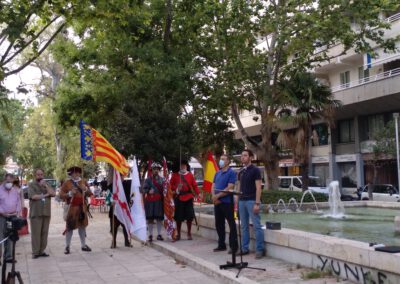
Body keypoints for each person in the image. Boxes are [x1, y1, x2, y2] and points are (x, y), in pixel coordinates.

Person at [238, 149, 265, 259]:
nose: (242, 157)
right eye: (242, 155)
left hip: (252, 201)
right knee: (244, 226)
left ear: (250, 157)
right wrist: (237, 197)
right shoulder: (241, 171)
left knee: (257, 226)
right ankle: (245, 248)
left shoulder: (255, 170)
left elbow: (259, 188)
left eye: (245, 155)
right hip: (242, 201)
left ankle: (259, 250)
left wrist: (257, 203)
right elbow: (239, 186)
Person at [60, 166, 92, 254]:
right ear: (71, 174)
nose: (76, 174)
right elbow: (61, 195)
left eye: (78, 172)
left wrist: (84, 189)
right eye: (74, 172)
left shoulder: (83, 181)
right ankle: (67, 246)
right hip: (72, 209)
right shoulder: (67, 183)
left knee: (82, 227)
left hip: (82, 208)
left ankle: (83, 245)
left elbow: (90, 193)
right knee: (69, 228)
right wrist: (69, 194)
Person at [212, 154, 238, 254]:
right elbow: (213, 186)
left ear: (228, 161)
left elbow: (230, 187)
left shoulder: (231, 173)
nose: (221, 161)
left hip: (227, 202)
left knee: (231, 224)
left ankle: (233, 246)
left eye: (223, 159)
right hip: (217, 203)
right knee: (219, 224)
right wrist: (214, 197)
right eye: (220, 159)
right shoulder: (217, 173)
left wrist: (217, 196)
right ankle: (221, 244)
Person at [28, 169, 56, 259]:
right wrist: (45, 195)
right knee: (36, 233)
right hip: (36, 212)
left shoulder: (46, 184)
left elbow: (53, 193)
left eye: (41, 174)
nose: (40, 176)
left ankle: (41, 251)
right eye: (38, 175)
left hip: (46, 212)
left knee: (44, 233)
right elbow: (33, 196)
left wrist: (46, 186)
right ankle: (35, 252)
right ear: (35, 175)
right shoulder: (31, 185)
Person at [170, 160, 199, 241]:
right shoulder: (175, 175)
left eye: (184, 165)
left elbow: (195, 185)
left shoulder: (190, 175)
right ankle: (178, 234)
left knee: (189, 216)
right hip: (179, 198)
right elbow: (170, 186)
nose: (183, 167)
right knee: (178, 217)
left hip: (189, 198)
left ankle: (189, 233)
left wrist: (197, 193)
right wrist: (177, 189)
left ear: (187, 166)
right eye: (181, 165)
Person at [0, 173, 22, 263]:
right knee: (1, 236)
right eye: (7, 181)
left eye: (10, 181)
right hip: (1, 216)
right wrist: (2, 212)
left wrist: (17, 212)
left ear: (13, 181)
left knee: (10, 236)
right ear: (4, 180)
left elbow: (18, 202)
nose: (9, 182)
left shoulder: (15, 190)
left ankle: (8, 256)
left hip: (12, 217)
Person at [143, 162, 165, 242]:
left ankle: (159, 234)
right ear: (151, 170)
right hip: (150, 202)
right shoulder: (148, 180)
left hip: (158, 201)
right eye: (154, 169)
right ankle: (150, 235)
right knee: (150, 219)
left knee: (159, 218)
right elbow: (144, 189)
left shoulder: (162, 179)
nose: (156, 170)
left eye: (157, 169)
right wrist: (148, 191)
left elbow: (164, 190)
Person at [108, 177, 132, 248]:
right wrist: (110, 202)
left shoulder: (127, 185)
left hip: (123, 209)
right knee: (114, 227)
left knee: (125, 226)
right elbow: (108, 196)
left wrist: (129, 203)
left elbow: (130, 195)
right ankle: (113, 241)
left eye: (121, 176)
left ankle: (127, 241)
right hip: (114, 209)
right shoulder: (112, 185)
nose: (120, 177)